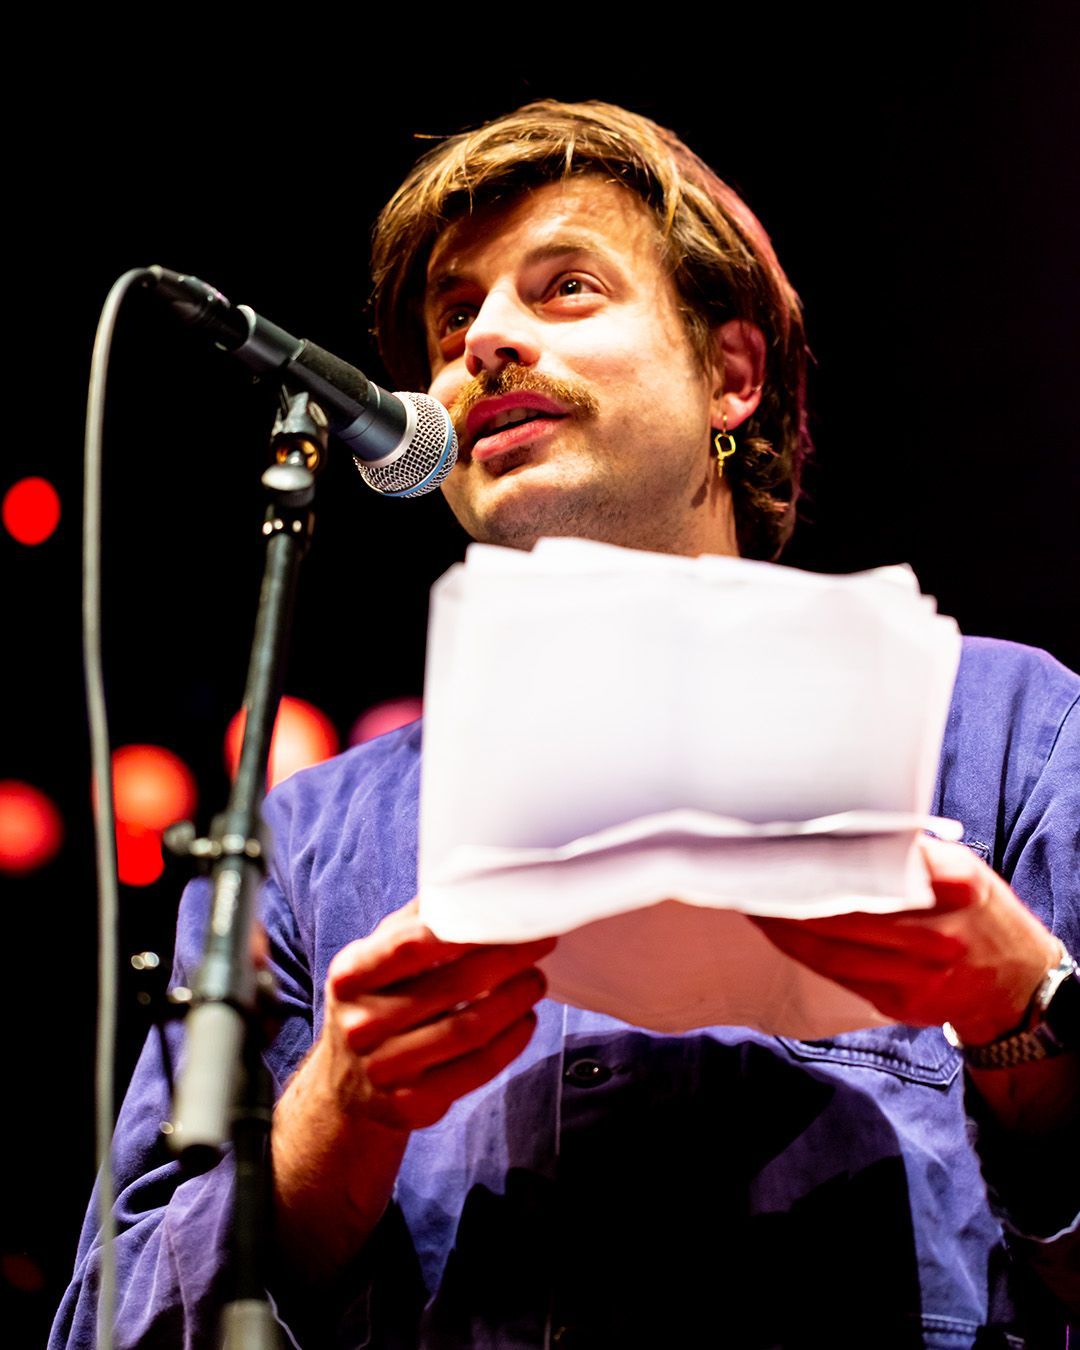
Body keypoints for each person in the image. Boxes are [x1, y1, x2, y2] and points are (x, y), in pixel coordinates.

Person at [53, 100, 1078, 1348]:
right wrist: (343, 1113)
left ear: (733, 374)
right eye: (452, 316)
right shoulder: (303, 839)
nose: (482, 339)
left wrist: (1025, 1019)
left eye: (566, 287)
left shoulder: (1010, 731)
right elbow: (111, 1329)